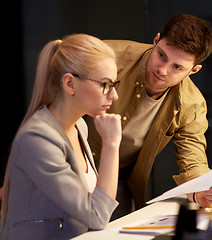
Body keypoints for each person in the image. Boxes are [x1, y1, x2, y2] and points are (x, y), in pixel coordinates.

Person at [85, 14, 212, 219]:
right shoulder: (107, 57)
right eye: (161, 55)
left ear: (194, 70)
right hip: (71, 161)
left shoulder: (191, 103)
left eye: (177, 67)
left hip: (119, 174)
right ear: (156, 40)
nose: (162, 70)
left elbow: (193, 159)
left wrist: (200, 191)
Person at [0, 34, 122, 240]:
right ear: (69, 84)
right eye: (105, 84)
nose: (113, 95)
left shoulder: (80, 126)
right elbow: (97, 215)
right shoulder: (37, 138)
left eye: (113, 84)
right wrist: (111, 145)